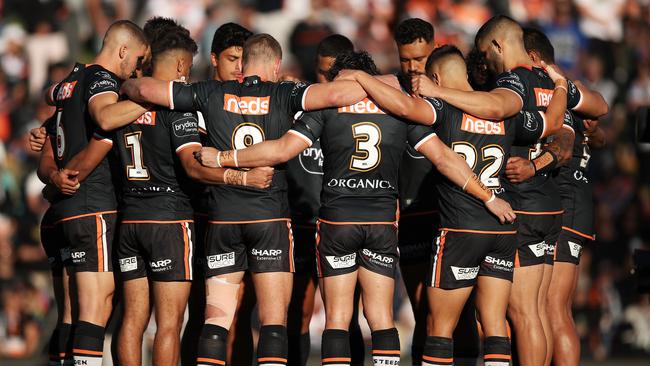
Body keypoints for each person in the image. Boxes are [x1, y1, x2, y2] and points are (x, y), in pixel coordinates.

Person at [195, 50, 515, 366]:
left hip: (338, 221)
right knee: (380, 317)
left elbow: (281, 150)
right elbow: (445, 158)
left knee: (337, 317)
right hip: (381, 224)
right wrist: (488, 196)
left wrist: (223, 159)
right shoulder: (397, 110)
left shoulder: (329, 107)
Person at [120, 33, 372, 366]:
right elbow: (344, 92)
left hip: (223, 219)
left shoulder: (210, 91)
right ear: (277, 65)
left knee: (216, 322)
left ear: (243, 64)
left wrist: (124, 86)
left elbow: (146, 89)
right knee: (273, 324)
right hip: (269, 219)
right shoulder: (285, 91)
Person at [339, 44, 566, 366]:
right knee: (495, 327)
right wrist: (559, 85)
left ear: (435, 77)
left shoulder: (442, 109)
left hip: (460, 230)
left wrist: (363, 77)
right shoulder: (506, 111)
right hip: (501, 228)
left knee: (439, 329)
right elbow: (554, 123)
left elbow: (403, 107)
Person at [411, 15, 608, 366]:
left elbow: (499, 108)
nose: (484, 63)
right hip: (551, 200)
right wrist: (563, 86)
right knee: (543, 310)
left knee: (521, 313)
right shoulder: (552, 80)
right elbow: (593, 112)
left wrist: (438, 91)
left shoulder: (511, 82)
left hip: (521, 201)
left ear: (498, 46)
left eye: (486, 54)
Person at [111, 18, 274, 366]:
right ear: (208, 60)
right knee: (180, 321)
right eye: (233, 59)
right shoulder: (186, 102)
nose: (241, 68)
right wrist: (240, 177)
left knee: (225, 316)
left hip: (148, 218)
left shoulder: (123, 100)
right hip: (182, 220)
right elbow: (193, 166)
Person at [38, 20, 149, 366]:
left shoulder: (68, 84)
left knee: (70, 314)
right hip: (92, 205)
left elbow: (44, 153)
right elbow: (104, 117)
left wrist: (54, 177)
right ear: (122, 51)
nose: (138, 69)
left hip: (62, 211)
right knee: (95, 307)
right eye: (138, 60)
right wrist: (155, 101)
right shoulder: (103, 79)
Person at [513, 27, 606, 366]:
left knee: (550, 307)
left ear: (534, 57)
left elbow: (600, 111)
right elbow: (600, 116)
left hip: (564, 199)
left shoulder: (554, 89)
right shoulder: (567, 89)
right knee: (551, 306)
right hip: (575, 201)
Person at [285, 33, 365, 366]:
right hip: (303, 222)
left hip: (342, 226)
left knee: (345, 317)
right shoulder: (299, 102)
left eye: (331, 74)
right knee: (298, 313)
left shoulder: (364, 108)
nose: (324, 81)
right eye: (319, 72)